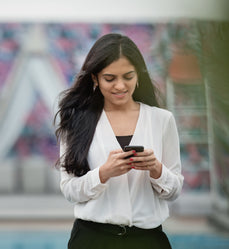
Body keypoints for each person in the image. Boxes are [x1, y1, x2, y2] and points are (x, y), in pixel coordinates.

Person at [54, 33, 184, 249]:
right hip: (91, 239)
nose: (120, 86)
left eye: (128, 76)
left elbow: (174, 191)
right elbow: (69, 191)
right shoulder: (76, 121)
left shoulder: (162, 120)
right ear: (95, 78)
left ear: (138, 75)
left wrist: (156, 169)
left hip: (148, 241)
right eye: (110, 78)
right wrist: (103, 173)